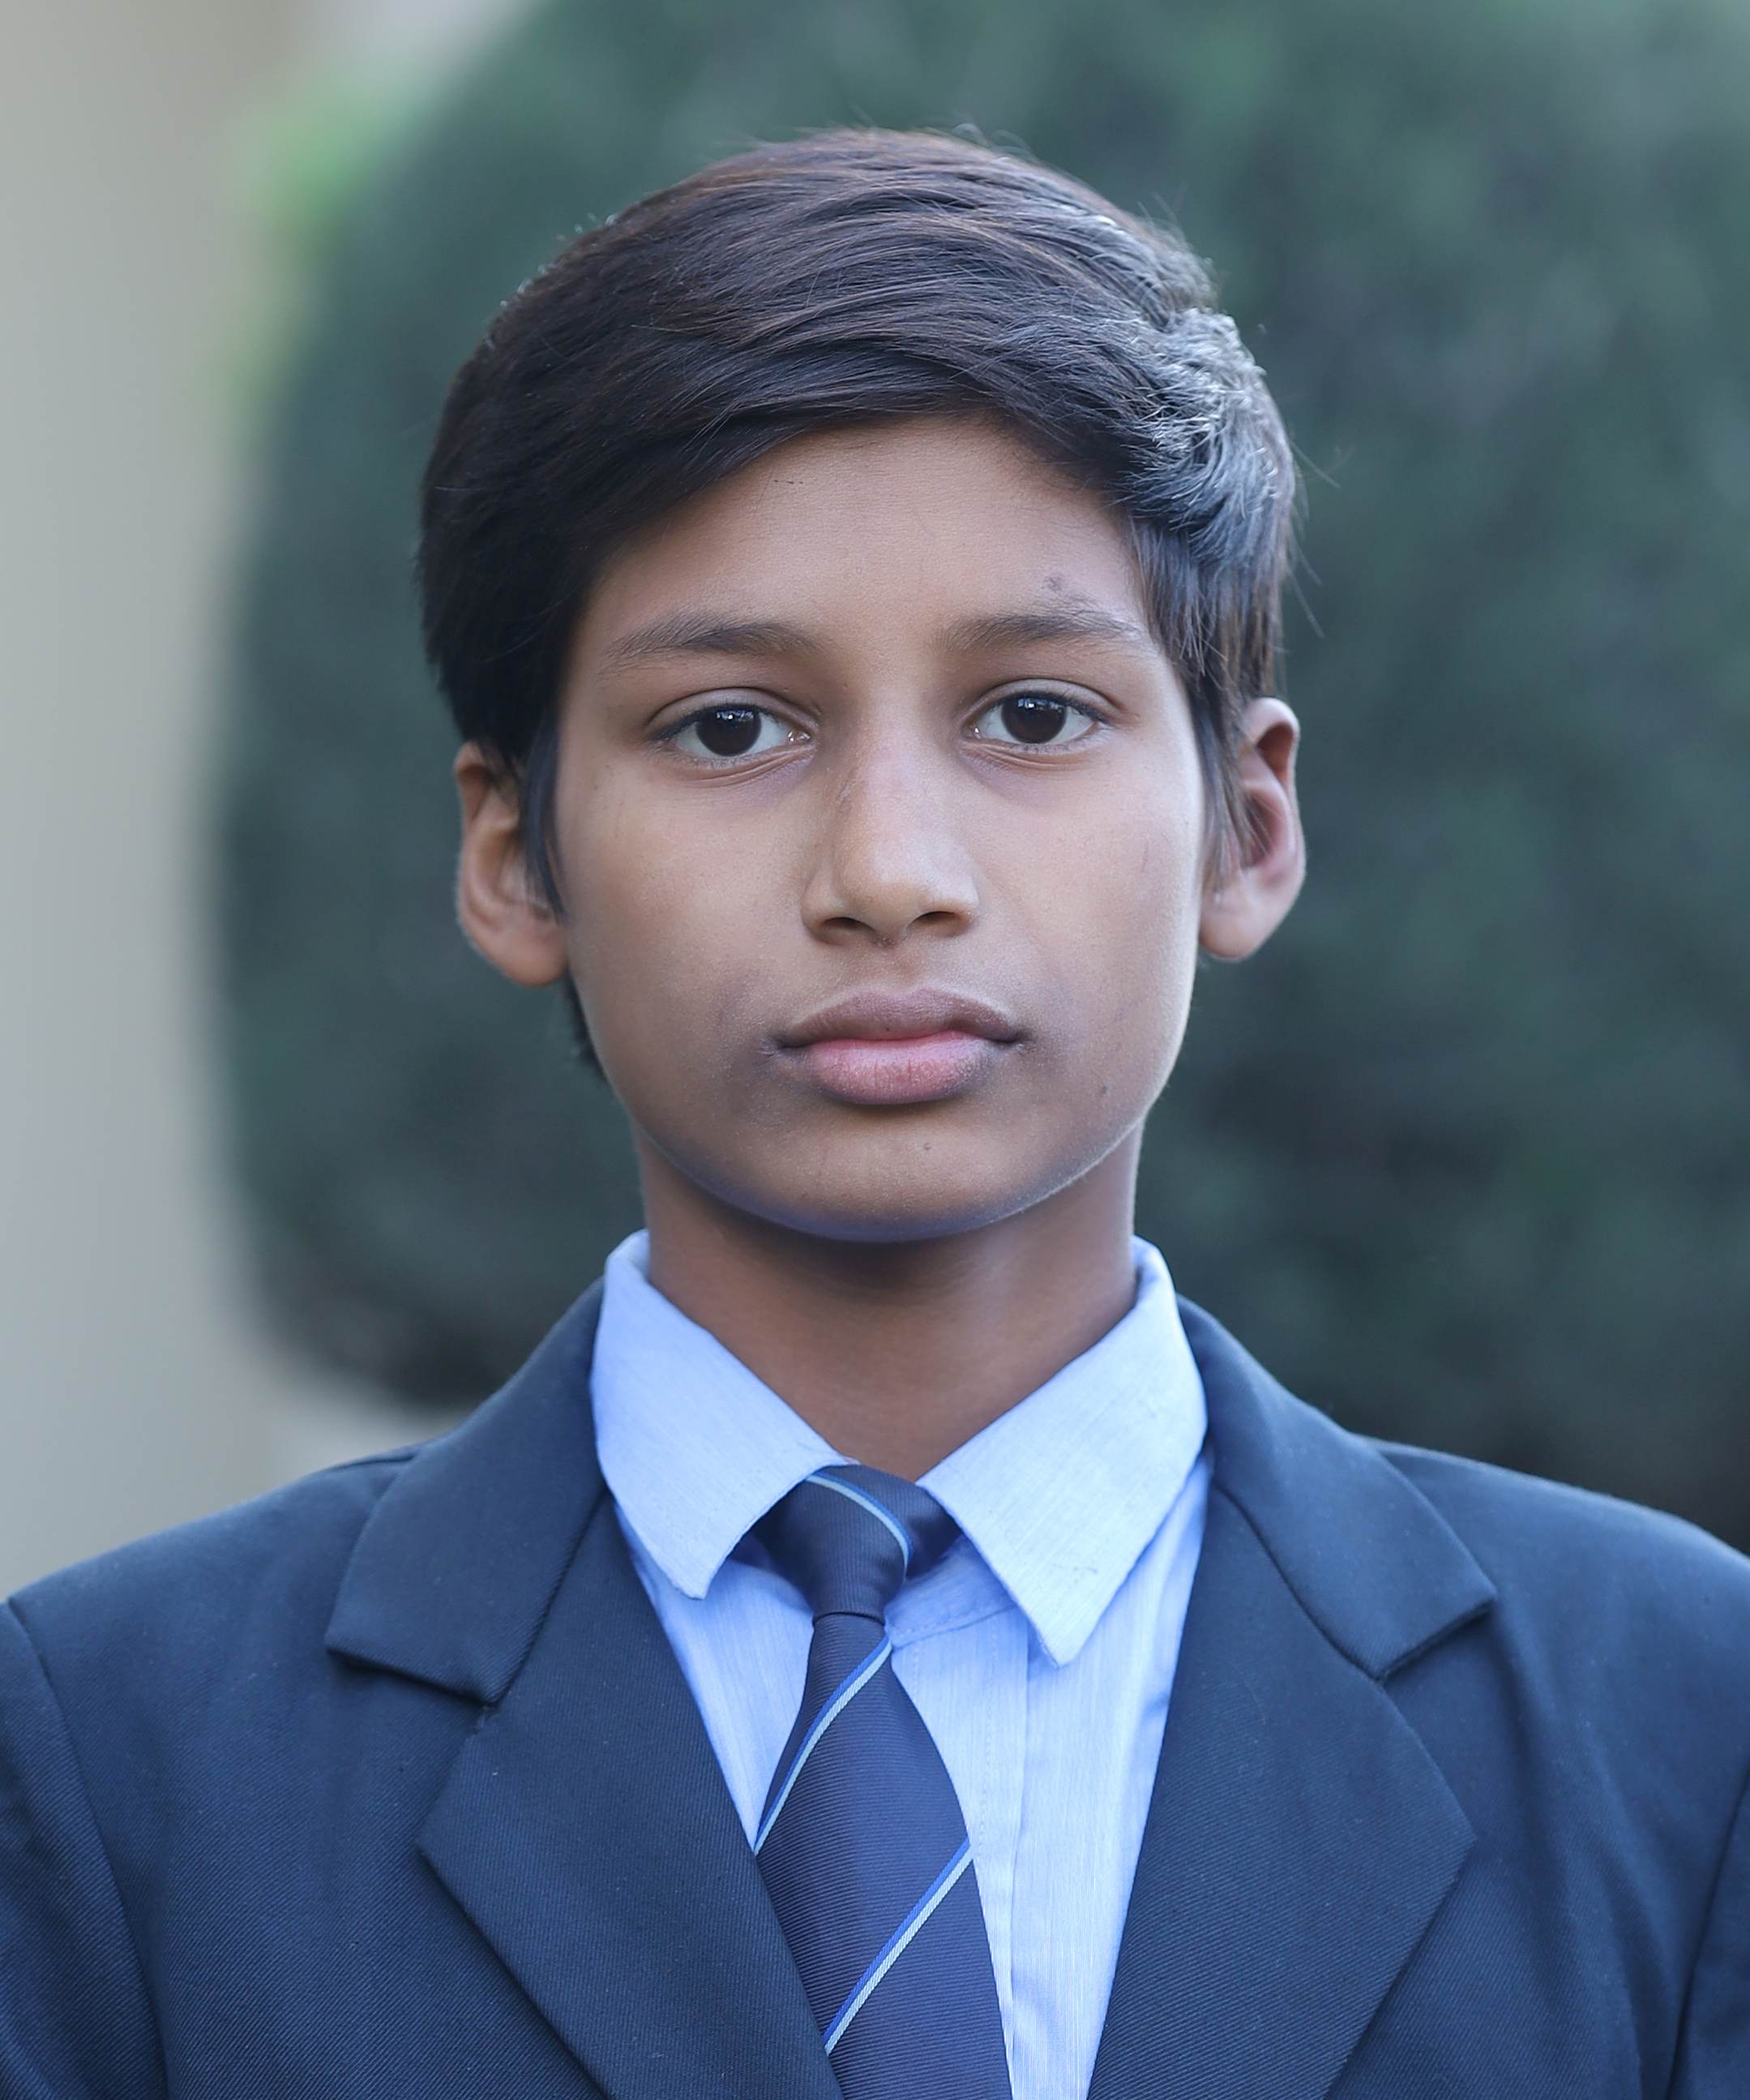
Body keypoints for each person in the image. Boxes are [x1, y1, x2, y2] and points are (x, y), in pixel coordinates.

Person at [2, 126, 1744, 2100]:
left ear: (1248, 827)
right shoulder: (112, 1764)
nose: (889, 871)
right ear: (512, 852)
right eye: (729, 726)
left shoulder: (1682, 1728)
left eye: (1034, 714)